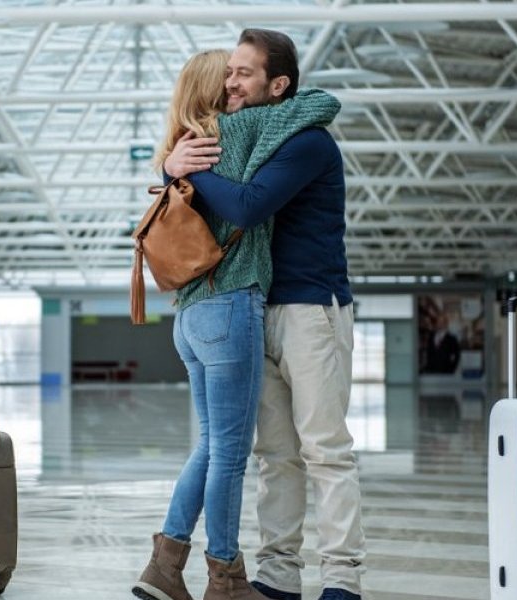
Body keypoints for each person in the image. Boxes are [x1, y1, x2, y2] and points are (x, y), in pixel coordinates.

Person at [162, 29, 364, 600]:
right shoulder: (248, 138)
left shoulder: (305, 141)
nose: (231, 81)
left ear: (278, 84)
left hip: (310, 309)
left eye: (244, 73)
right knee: (275, 455)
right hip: (254, 309)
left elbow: (247, 207)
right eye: (229, 71)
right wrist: (170, 166)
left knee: (324, 448)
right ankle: (278, 574)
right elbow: (180, 196)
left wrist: (186, 169)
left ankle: (343, 578)